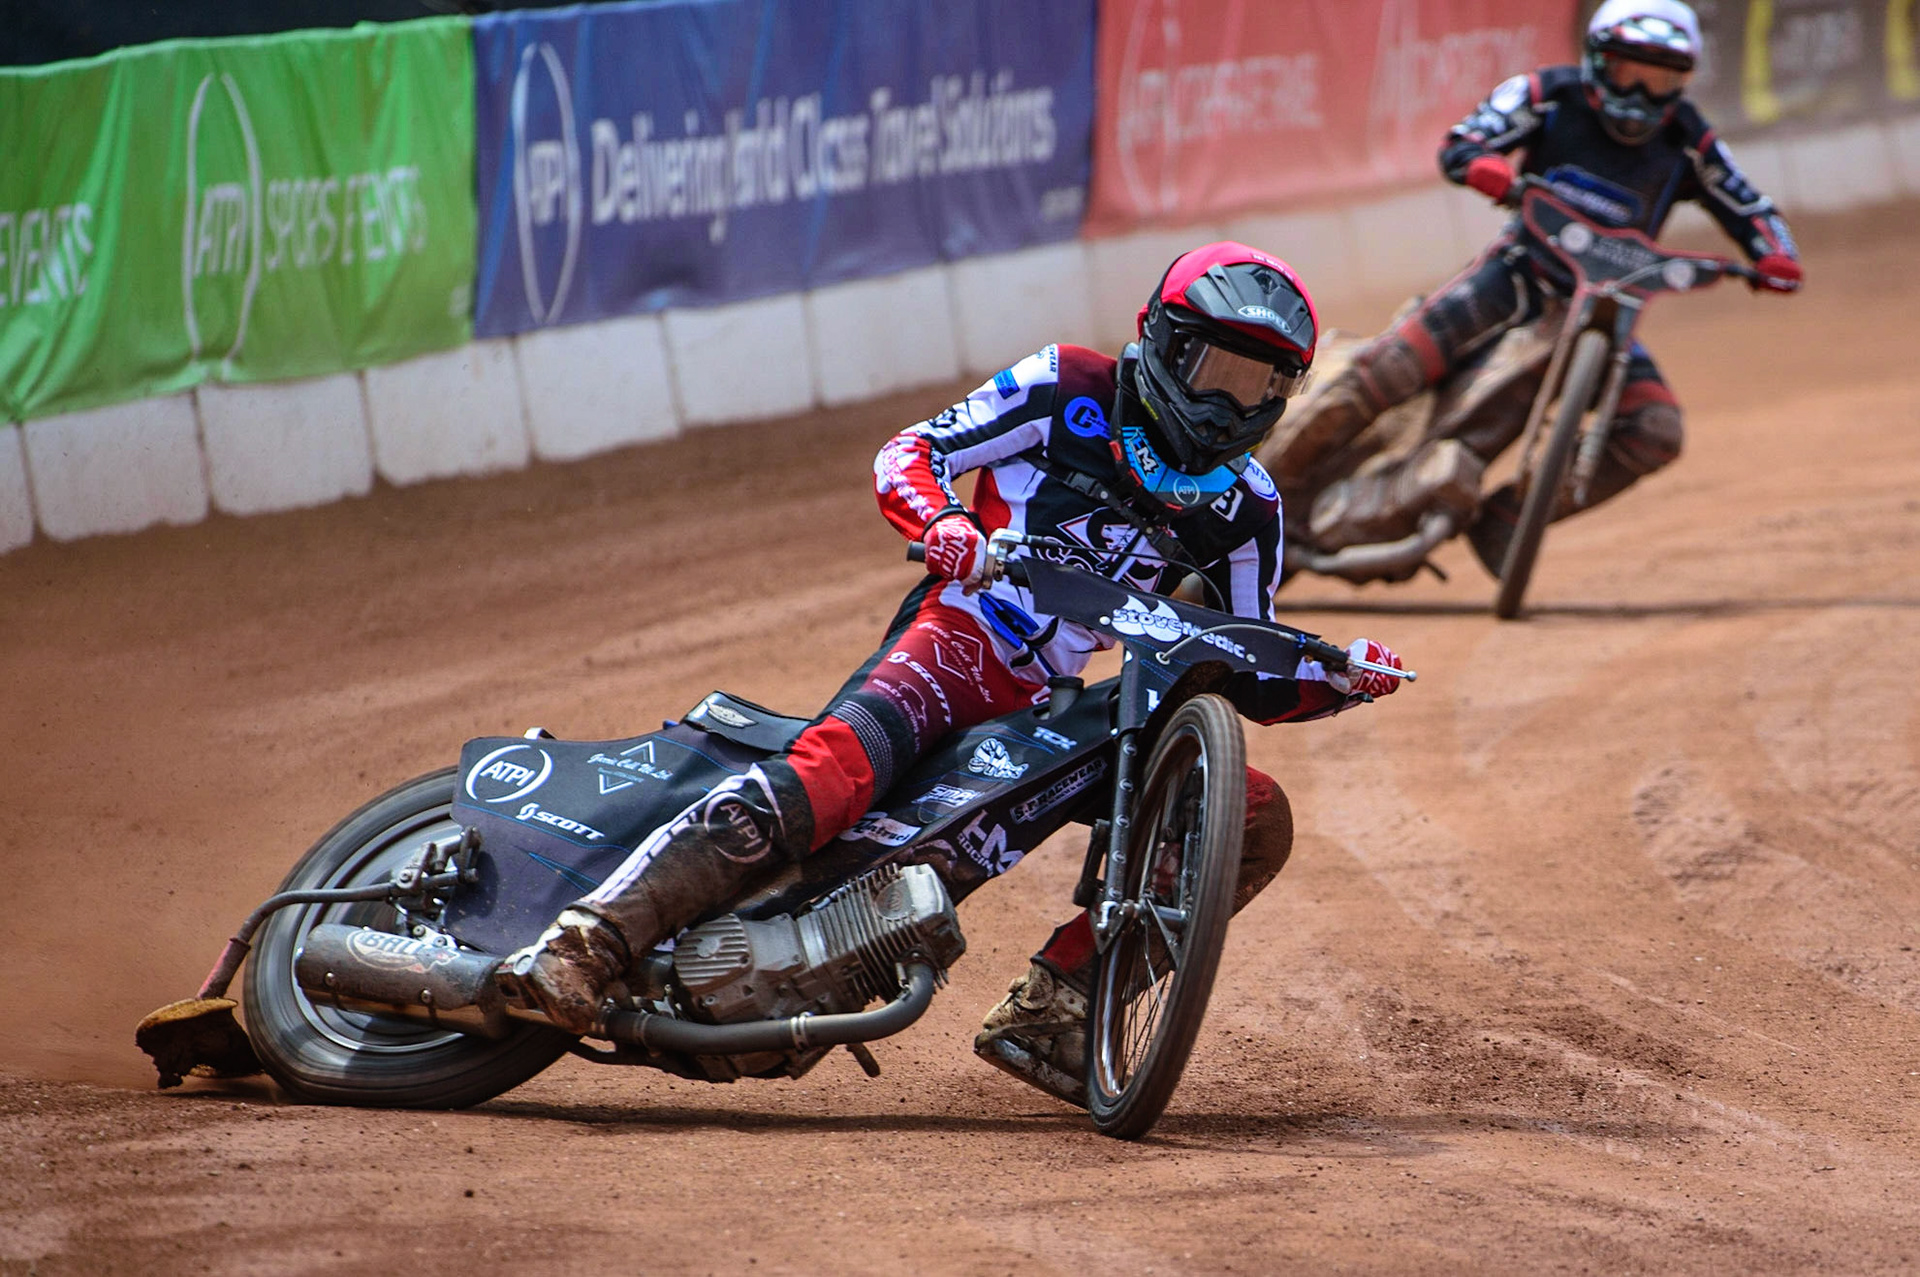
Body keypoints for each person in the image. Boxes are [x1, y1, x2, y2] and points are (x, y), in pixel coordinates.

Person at [500, 241, 1405, 1106]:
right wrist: (943, 523)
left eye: (1261, 385)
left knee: (1249, 814)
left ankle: (1059, 1012)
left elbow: (1245, 654)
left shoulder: (1250, 506)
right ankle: (588, 938)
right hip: (962, 637)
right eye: (1219, 370)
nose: (1229, 406)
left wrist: (1334, 678)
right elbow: (910, 451)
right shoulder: (1065, 385)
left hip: (1062, 699)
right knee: (836, 772)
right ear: (1164, 340)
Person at [1266, 0, 1801, 575]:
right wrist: (1485, 167)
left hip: (1606, 308)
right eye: (1630, 73)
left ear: (1685, 81)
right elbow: (1464, 142)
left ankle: (1509, 521)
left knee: (1656, 429)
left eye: (1662, 79)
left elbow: (1750, 204)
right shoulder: (1548, 93)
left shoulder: (1689, 138)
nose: (1643, 96)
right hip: (1516, 272)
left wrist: (1774, 254)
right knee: (1390, 365)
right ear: (1597, 60)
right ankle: (1260, 493)